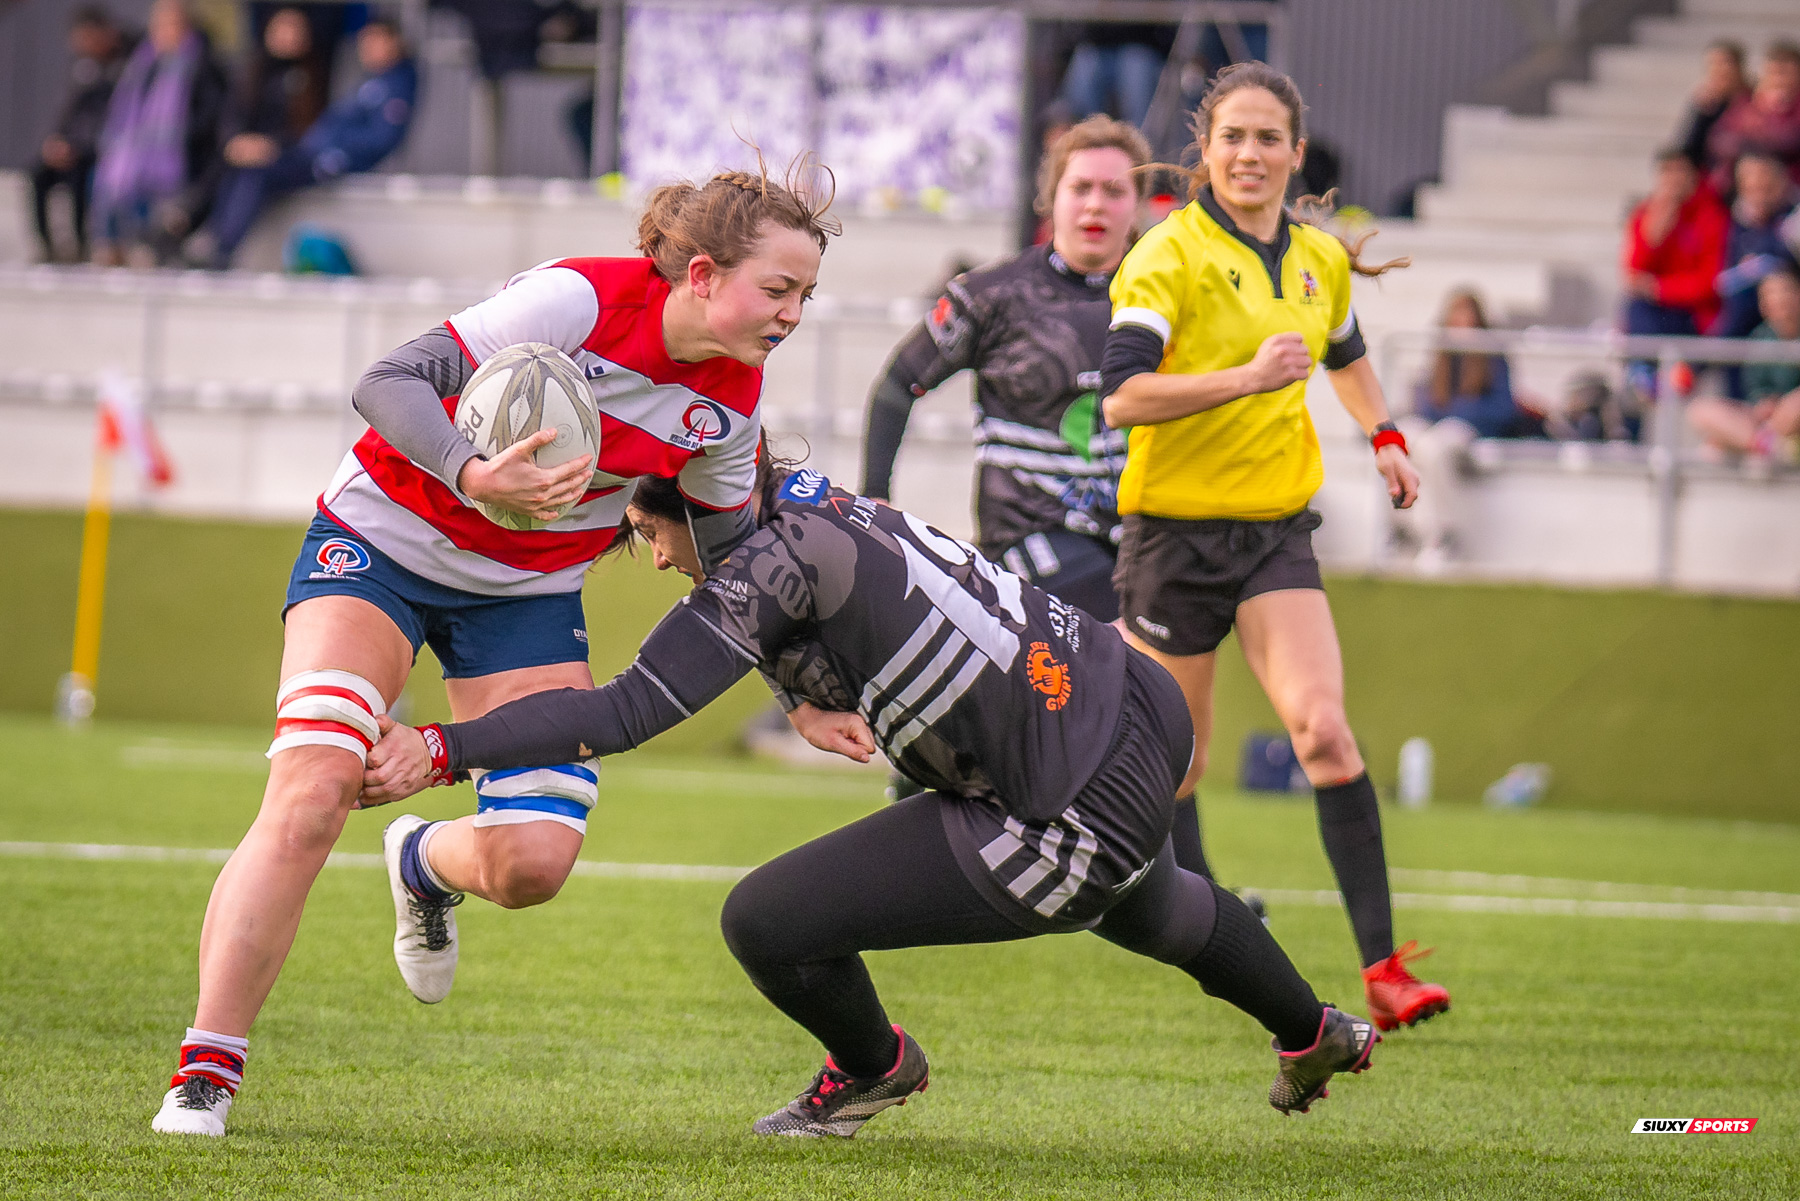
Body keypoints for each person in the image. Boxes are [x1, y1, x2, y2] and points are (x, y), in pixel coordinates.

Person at [362, 465, 1384, 1136]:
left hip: (1063, 798)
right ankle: (1313, 1028)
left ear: (698, 505)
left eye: (651, 528)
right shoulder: (808, 498)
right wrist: (797, 696)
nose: (658, 553)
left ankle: (873, 1066)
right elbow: (827, 609)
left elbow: (625, 711)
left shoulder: (763, 564)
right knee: (1150, 900)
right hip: (1136, 705)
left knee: (764, 921)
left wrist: (443, 747)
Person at [150, 165, 839, 1137]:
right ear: (699, 274)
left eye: (806, 295)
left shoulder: (730, 411)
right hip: (381, 542)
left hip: (525, 594)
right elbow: (383, 380)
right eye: (779, 288)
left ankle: (423, 862)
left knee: (531, 863)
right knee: (311, 790)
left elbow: (733, 579)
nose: (794, 313)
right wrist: (472, 471)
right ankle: (206, 1071)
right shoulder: (578, 299)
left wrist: (797, 691)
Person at [1096, 62, 1450, 1031]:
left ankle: (1384, 967)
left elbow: (1344, 352)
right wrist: (1246, 377)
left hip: (1274, 536)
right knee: (1178, 765)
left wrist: (1385, 439)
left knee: (1325, 732)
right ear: (1204, 150)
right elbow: (1121, 395)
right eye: (1232, 137)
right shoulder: (1165, 255)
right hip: (1171, 538)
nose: (1249, 154)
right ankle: (1207, 934)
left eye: (1268, 139)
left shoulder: (1320, 259)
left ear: (1297, 154)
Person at [862, 115, 1150, 621]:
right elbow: (895, 388)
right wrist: (875, 499)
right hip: (1027, 546)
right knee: (1119, 649)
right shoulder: (990, 296)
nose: (1095, 204)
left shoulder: (1166, 303)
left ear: (1138, 205)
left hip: (1139, 538)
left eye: (1114, 190)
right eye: (1080, 187)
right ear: (1050, 198)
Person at [201, 18, 417, 268]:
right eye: (364, 43)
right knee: (239, 162)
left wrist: (335, 154)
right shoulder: (371, 81)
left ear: (394, 42)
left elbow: (381, 139)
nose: (366, 49)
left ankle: (222, 249)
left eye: (374, 42)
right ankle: (209, 237)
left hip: (326, 160)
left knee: (257, 172)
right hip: (311, 152)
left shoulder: (396, 84)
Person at [1393, 289, 1534, 573]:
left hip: (1470, 434)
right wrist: (1448, 411)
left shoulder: (1492, 357)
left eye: (1467, 318)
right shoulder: (1441, 358)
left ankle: (1443, 535)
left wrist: (1456, 411)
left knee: (1434, 448)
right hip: (1437, 428)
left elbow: (1502, 410)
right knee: (1398, 441)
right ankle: (1403, 530)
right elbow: (1426, 404)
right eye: (1456, 317)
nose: (1461, 325)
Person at [87, 0, 229, 267]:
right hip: (137, 153)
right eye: (160, 25)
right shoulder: (141, 65)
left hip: (187, 157)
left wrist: (171, 138)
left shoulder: (203, 65)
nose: (165, 32)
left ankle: (146, 244)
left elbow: (209, 120)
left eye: (172, 25)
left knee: (147, 177)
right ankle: (113, 245)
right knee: (110, 171)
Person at [1622, 149, 1729, 399]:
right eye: (1667, 173)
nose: (1674, 180)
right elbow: (1634, 275)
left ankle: (1663, 372)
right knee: (1635, 306)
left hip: (1695, 313)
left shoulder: (1712, 217)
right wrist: (1653, 238)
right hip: (1658, 311)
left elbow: (1709, 283)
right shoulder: (1647, 215)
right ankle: (1643, 373)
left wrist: (1659, 288)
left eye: (1680, 171)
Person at [30, 7, 127, 263]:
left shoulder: (121, 67)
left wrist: (76, 146)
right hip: (69, 146)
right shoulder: (81, 67)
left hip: (94, 150)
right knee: (38, 174)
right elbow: (65, 112)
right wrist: (55, 141)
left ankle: (81, 244)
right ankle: (48, 246)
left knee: (79, 178)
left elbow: (110, 118)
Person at [1689, 268, 1800, 464]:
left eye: (1785, 292)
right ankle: (1763, 445)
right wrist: (1764, 403)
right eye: (1771, 295)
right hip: (1768, 423)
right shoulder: (1760, 338)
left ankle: (1760, 444)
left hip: (1794, 421)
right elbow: (1756, 392)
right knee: (1701, 411)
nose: (1780, 300)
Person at [1711, 152, 1799, 341]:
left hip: (1788, 293)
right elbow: (1723, 279)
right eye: (1749, 181)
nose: (1757, 186)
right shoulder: (1738, 222)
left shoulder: (1793, 215)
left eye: (1763, 178)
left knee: (1778, 293)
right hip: (1747, 303)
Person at [1704, 41, 1800, 195]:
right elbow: (1719, 140)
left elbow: (1790, 140)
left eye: (1784, 72)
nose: (1779, 79)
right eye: (1774, 72)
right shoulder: (1748, 104)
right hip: (1743, 187)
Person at [1678, 40, 1750, 172]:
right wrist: (1701, 113)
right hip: (1711, 176)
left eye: (1724, 62)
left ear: (1739, 66)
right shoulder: (1705, 105)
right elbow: (1687, 150)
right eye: (1712, 64)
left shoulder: (1754, 100)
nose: (1718, 69)